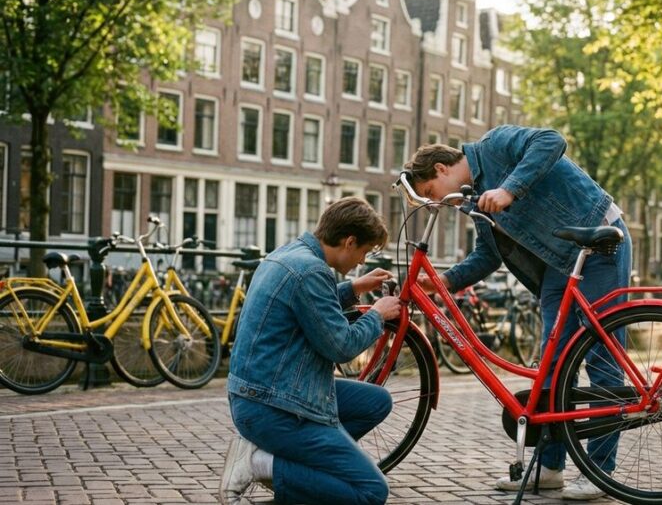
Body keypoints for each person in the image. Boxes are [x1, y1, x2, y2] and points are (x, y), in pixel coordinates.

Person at [405, 125, 632, 501]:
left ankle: (599, 471)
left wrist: (510, 189)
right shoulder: (474, 198)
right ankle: (550, 467)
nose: (437, 202)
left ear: (442, 170)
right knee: (552, 364)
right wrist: (444, 282)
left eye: (431, 193)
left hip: (600, 239)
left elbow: (552, 141)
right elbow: (488, 255)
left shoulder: (494, 145)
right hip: (558, 263)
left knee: (601, 358)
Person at [220, 197, 402, 505]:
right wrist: (377, 315)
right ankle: (262, 464)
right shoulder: (311, 272)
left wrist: (353, 288)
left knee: (376, 401)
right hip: (275, 407)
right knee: (371, 492)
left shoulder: (292, 254)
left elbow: (310, 306)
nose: (360, 261)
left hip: (265, 392)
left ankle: (306, 471)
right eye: (363, 252)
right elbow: (341, 346)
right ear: (349, 241)